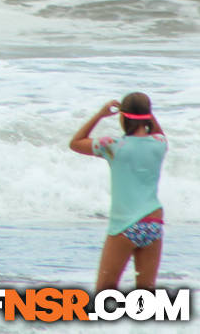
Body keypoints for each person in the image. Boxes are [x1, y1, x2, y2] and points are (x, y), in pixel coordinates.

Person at [69, 93, 167, 291]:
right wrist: (147, 114)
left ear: (123, 117)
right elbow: (157, 130)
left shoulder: (112, 145)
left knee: (105, 292)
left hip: (125, 224)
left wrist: (100, 115)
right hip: (153, 223)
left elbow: (76, 142)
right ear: (147, 116)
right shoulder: (159, 143)